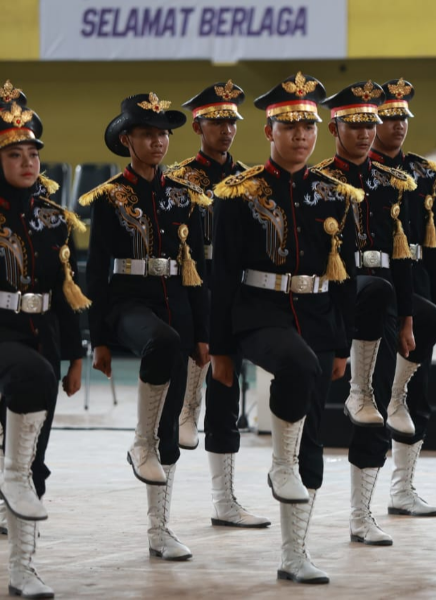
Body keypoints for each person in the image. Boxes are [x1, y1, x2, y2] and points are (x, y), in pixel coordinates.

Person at [211, 72, 361, 584]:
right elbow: (222, 274)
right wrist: (223, 349)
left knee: (314, 436)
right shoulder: (238, 192)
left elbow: (345, 277)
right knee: (295, 363)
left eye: (308, 127)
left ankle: (294, 552)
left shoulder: (335, 194)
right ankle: (279, 463)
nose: (301, 137)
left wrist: (342, 343)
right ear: (269, 132)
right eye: (289, 127)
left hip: (318, 317)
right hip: (259, 313)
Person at [81, 92, 209, 561]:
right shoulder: (110, 195)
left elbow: (195, 271)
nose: (157, 142)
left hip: (176, 300)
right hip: (126, 303)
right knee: (161, 341)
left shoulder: (184, 195)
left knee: (171, 421)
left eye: (163, 133)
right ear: (126, 139)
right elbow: (94, 271)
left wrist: (203, 335)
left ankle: (160, 529)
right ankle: (140, 441)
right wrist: (98, 339)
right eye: (147, 134)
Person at [316, 80, 419, 546]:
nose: (364, 133)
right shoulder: (318, 180)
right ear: (335, 126)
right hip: (330, 303)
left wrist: (410, 318)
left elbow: (403, 257)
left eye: (370, 124)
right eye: (354, 125)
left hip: (378, 307)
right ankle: (301, 517)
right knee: (311, 416)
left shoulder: (391, 182)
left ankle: (362, 515)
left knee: (371, 418)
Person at [0, 82, 89, 597]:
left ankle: (23, 567)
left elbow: (67, 290)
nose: (28, 162)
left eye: (33, 153)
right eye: (15, 154)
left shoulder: (56, 217)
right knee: (17, 454)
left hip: (44, 337)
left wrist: (75, 357)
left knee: (35, 454)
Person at [172, 80, 269, 529]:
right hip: (190, 291)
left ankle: (224, 499)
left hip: (231, 290)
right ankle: (162, 509)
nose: (227, 129)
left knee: (228, 395)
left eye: (232, 121)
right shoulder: (178, 178)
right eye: (217, 121)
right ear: (198, 125)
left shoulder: (246, 181)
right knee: (171, 411)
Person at [368, 78, 436, 517]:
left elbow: (434, 247)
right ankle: (368, 492)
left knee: (417, 395)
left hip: (418, 289)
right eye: (389, 117)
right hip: (377, 287)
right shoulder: (361, 171)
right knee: (376, 393)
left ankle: (404, 487)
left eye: (403, 117)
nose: (398, 125)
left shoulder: (424, 173)